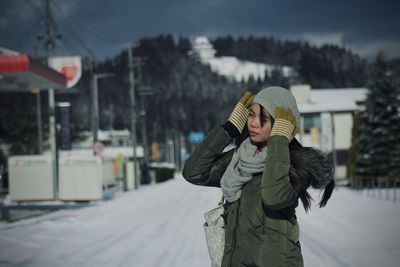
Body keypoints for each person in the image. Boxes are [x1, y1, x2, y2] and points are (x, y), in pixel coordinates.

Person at [182, 86, 335, 267]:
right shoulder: (242, 156)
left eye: (263, 119)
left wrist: (278, 140)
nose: (253, 123)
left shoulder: (297, 163)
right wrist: (229, 129)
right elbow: (194, 172)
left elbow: (274, 197)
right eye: (251, 115)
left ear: (282, 125)